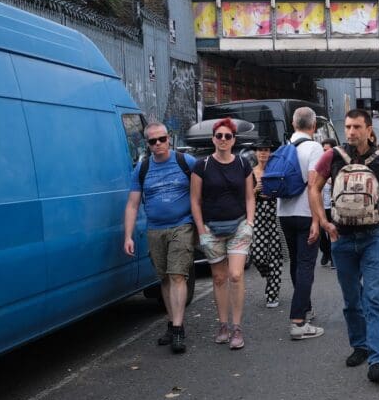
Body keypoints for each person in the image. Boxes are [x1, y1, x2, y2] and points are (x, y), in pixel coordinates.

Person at [308, 109, 379, 383]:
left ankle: (378, 360)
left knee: (373, 298)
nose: (351, 132)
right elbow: (313, 187)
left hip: (373, 237)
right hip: (341, 238)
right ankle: (360, 345)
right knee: (351, 299)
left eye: (357, 127)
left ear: (370, 130)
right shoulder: (333, 156)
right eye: (347, 127)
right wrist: (323, 221)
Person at [123, 122, 197, 354]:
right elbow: (133, 204)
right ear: (148, 144)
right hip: (155, 229)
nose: (158, 144)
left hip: (182, 226)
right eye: (153, 141)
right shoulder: (142, 169)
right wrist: (128, 235)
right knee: (164, 278)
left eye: (162, 139)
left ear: (169, 138)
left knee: (177, 275)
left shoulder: (187, 162)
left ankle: (178, 329)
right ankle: (172, 321)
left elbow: (202, 194)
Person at [190, 118, 255, 350]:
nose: (224, 140)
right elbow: (195, 201)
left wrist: (249, 222)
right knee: (219, 278)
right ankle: (223, 324)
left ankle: (237, 327)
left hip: (238, 225)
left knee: (236, 275)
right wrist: (201, 230)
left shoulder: (242, 164)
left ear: (234, 140)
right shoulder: (202, 166)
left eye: (228, 136)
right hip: (212, 229)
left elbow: (250, 196)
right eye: (220, 136)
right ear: (213, 139)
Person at [278, 107, 326, 340]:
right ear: (313, 126)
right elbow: (313, 186)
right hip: (306, 213)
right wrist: (318, 220)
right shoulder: (314, 147)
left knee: (296, 262)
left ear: (294, 124)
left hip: (284, 214)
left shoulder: (283, 147)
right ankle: (298, 321)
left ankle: (304, 306)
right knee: (307, 265)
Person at [249, 137, 290, 309]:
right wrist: (255, 190)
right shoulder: (250, 173)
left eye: (266, 150)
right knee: (257, 255)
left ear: (270, 152)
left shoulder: (278, 169)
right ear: (255, 153)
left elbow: (287, 190)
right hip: (258, 214)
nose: (263, 153)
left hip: (276, 213)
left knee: (275, 256)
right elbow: (244, 197)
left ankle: (272, 294)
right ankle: (270, 277)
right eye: (260, 150)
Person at [319, 138, 338, 269]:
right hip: (321, 205)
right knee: (321, 233)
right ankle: (325, 252)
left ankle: (333, 257)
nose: (324, 153)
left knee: (332, 231)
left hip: (333, 206)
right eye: (323, 150)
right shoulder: (320, 164)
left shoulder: (337, 165)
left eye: (327, 150)